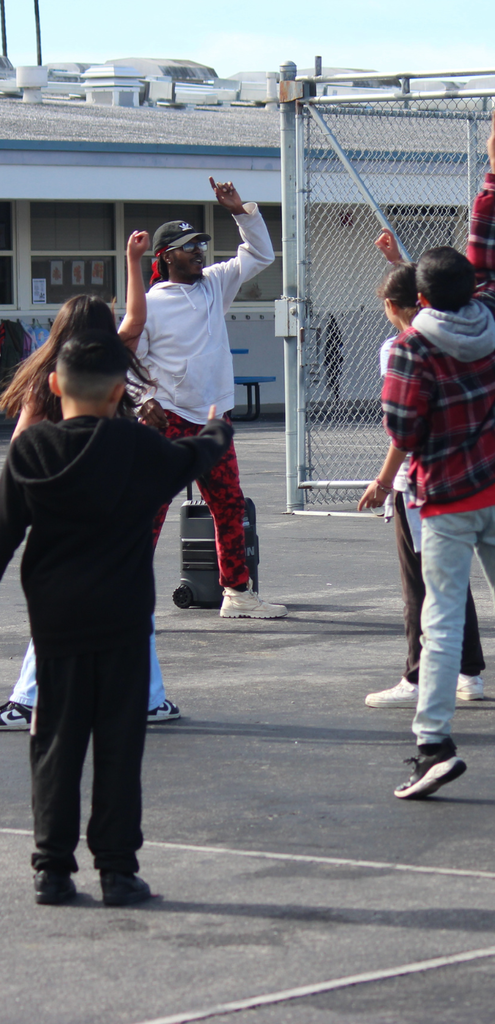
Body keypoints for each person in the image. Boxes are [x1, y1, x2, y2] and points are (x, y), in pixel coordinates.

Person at [359, 111, 495, 798]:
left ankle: (434, 744)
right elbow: (493, 244)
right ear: (468, 289)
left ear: (418, 300)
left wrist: (415, 456)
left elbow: (401, 427)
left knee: (440, 622)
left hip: (444, 501)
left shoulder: (412, 350)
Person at [0, 330, 233, 905]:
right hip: (124, 625)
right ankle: (117, 870)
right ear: (117, 396)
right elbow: (194, 456)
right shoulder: (138, 449)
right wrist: (216, 430)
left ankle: (52, 870)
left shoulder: (29, 453)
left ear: (54, 386)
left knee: (55, 743)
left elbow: (3, 537)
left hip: (56, 629)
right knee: (118, 747)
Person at [0, 234, 181, 731]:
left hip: (62, 506)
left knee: (60, 604)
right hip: (114, 504)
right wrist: (134, 261)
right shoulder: (110, 363)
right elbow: (137, 320)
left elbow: (20, 448)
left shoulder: (48, 376)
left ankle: (28, 700)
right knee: (130, 598)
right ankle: (145, 697)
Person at [138, 177, 286, 620]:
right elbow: (128, 363)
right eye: (187, 246)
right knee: (149, 513)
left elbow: (261, 255)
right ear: (165, 258)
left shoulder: (214, 285)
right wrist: (142, 400)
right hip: (168, 422)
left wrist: (241, 212)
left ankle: (237, 593)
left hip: (213, 420)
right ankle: (126, 599)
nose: (199, 251)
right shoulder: (148, 305)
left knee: (229, 504)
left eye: (200, 243)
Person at [362, 238, 485, 708]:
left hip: (419, 480)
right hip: (464, 473)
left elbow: (404, 430)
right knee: (452, 577)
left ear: (394, 306)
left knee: (419, 582)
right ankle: (469, 672)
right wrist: (400, 264)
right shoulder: (465, 333)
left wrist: (383, 480)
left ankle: (416, 677)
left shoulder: (400, 349)